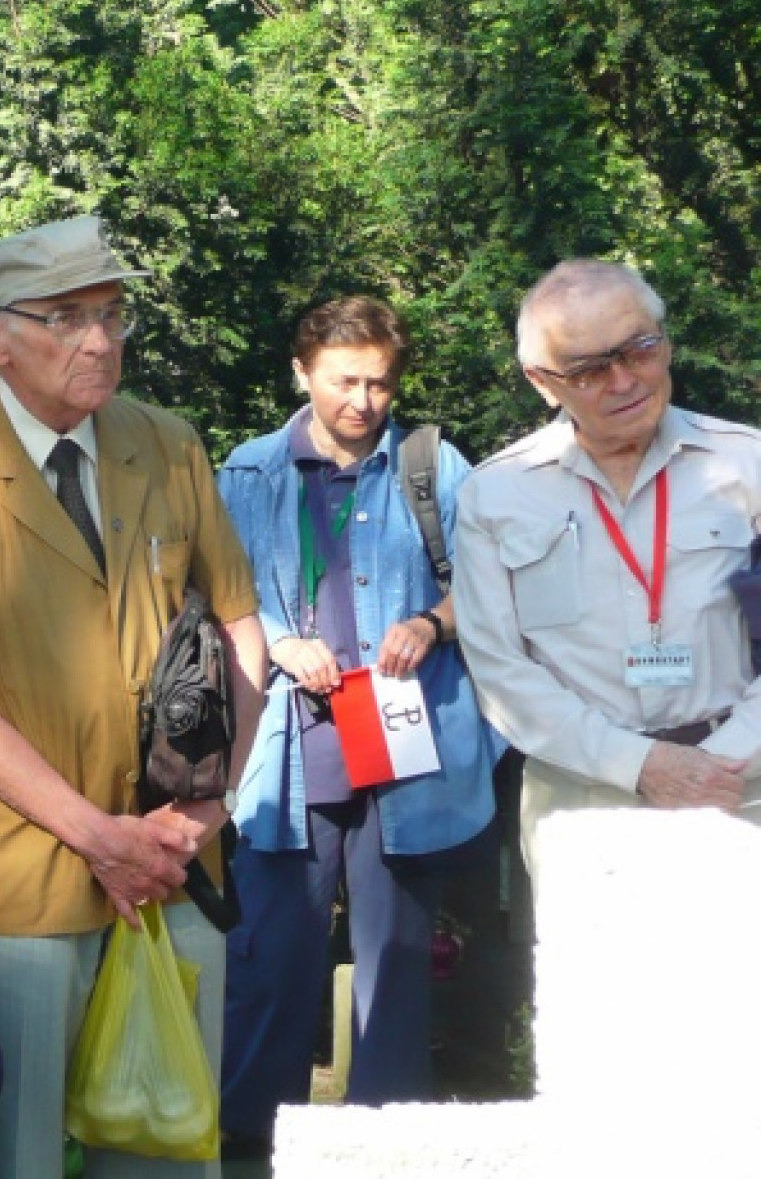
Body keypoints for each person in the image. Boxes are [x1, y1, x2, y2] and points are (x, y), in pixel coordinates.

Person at [0, 214, 266, 1178]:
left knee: (170, 1144)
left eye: (111, 313)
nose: (99, 341)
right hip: (25, 879)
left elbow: (241, 634)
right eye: (65, 318)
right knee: (21, 1155)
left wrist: (204, 812)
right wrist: (101, 838)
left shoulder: (168, 444)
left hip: (178, 861)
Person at [213, 296, 504, 1148]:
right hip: (288, 751)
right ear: (301, 373)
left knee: (398, 968)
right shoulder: (249, 471)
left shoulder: (435, 466)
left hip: (404, 744)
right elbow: (218, 593)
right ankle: (249, 1148)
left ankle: (386, 1151)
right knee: (271, 964)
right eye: (345, 381)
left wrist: (433, 623)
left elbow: (488, 582)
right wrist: (276, 641)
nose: (364, 401)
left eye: (380, 382)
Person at [454, 259, 761, 877]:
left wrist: (724, 760)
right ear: (542, 381)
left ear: (666, 341)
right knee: (599, 978)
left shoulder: (748, 466)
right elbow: (500, 671)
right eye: (591, 369)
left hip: (742, 788)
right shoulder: (497, 494)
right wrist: (641, 765)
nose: (625, 380)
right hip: (581, 808)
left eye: (640, 349)